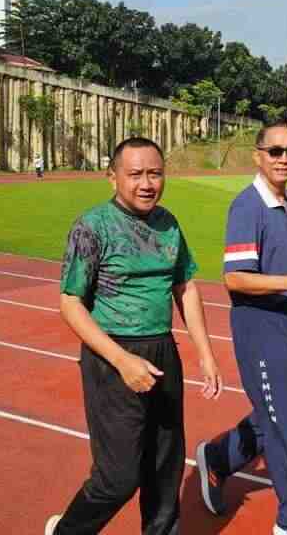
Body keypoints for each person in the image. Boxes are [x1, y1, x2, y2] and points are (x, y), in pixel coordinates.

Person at [45, 137, 223, 535]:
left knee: (165, 468)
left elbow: (185, 287)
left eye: (155, 174)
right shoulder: (92, 227)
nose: (147, 183)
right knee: (119, 476)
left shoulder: (168, 223)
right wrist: (123, 361)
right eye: (136, 174)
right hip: (113, 355)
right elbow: (71, 303)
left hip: (162, 350)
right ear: (112, 178)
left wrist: (206, 354)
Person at [195, 122, 287, 535]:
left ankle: (218, 457)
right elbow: (234, 278)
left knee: (285, 411)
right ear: (258, 155)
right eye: (275, 151)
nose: (284, 159)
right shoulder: (247, 207)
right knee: (283, 423)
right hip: (258, 323)